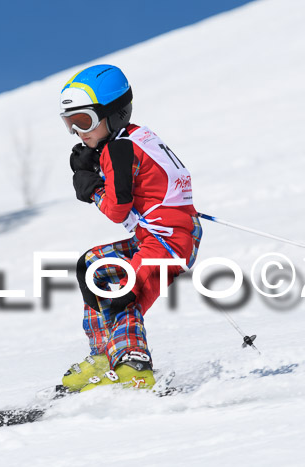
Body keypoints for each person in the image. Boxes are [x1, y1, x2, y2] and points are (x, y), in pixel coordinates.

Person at [59, 64, 202, 392]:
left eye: (84, 122)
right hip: (162, 234)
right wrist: (97, 166)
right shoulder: (135, 136)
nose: (79, 133)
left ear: (114, 114)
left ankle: (133, 363)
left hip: (166, 242)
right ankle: (104, 356)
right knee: (93, 266)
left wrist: (91, 187)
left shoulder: (117, 149)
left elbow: (116, 208)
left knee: (125, 293)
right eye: (70, 125)